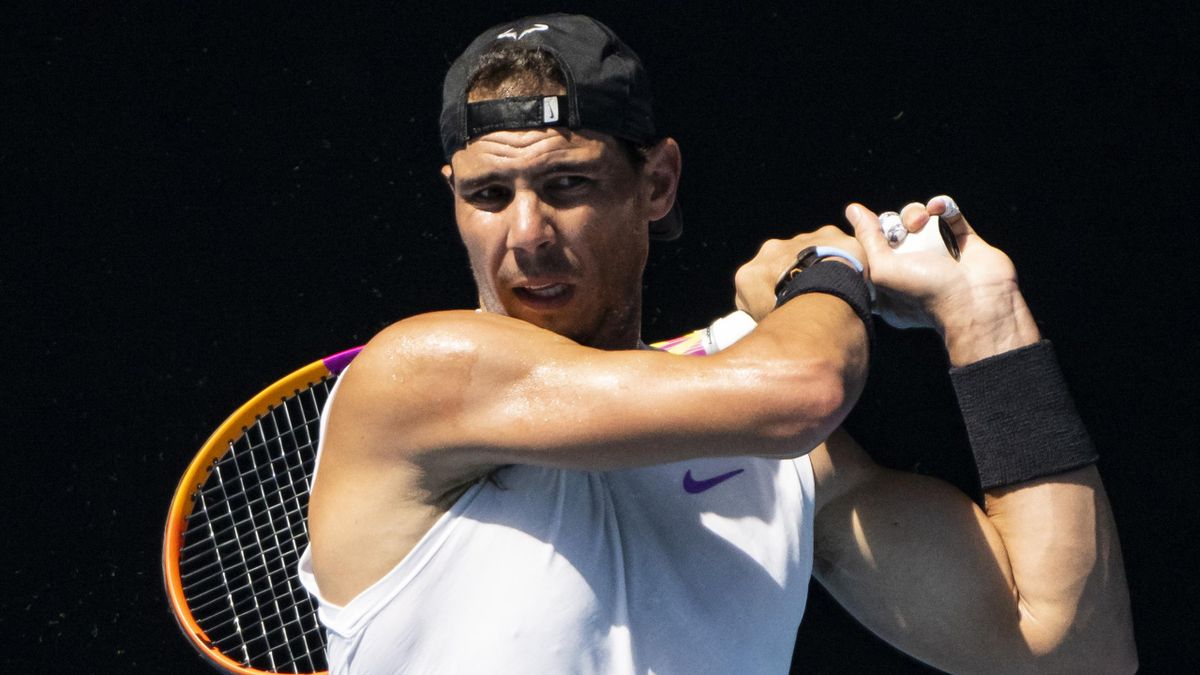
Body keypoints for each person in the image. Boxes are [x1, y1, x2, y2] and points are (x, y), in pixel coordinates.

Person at [297, 13, 1136, 674]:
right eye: (487, 193)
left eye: (567, 184)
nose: (526, 234)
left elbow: (1068, 649)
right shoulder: (413, 378)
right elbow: (802, 389)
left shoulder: (790, 467)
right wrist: (826, 269)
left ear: (656, 183)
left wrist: (986, 316)